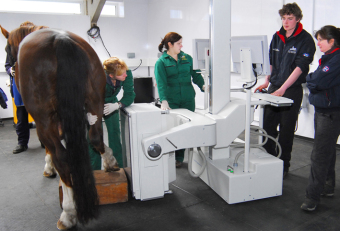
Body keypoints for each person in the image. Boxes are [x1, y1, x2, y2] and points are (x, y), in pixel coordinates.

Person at [254, 3, 316, 178]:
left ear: (297, 19)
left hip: (291, 90)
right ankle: (267, 161)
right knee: (268, 127)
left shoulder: (305, 40)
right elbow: (272, 62)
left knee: (286, 130)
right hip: (274, 87)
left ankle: (283, 166)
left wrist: (283, 88)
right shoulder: (277, 36)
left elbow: (300, 68)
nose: (286, 22)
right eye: (284, 18)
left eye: (290, 18)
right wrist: (267, 81)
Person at [300, 25, 340, 211]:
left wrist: (312, 81)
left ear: (332, 41)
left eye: (321, 40)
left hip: (330, 113)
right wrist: (313, 80)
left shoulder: (337, 59)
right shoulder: (329, 58)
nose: (318, 43)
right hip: (324, 110)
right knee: (328, 150)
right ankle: (327, 186)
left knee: (319, 154)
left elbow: (317, 81)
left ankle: (312, 198)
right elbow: (315, 80)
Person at [154, 32, 205, 168]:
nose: (181, 46)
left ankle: (180, 157)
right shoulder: (161, 62)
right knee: (174, 128)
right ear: (170, 45)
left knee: (186, 127)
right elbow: (161, 82)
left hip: (188, 98)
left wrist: (204, 87)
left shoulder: (187, 58)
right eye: (178, 43)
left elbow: (196, 75)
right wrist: (163, 100)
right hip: (172, 100)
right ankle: (171, 155)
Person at [88, 57, 135, 170]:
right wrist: (87, 113)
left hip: (112, 103)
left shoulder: (126, 72)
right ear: (111, 75)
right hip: (94, 103)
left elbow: (130, 94)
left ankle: (117, 165)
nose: (126, 75)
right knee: (93, 136)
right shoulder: (96, 76)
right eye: (122, 74)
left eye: (125, 72)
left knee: (115, 134)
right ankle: (94, 170)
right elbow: (84, 96)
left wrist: (118, 105)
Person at [5, 21, 36, 154]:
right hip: (18, 86)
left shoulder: (35, 46)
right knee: (21, 116)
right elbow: (7, 65)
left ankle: (44, 141)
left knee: (40, 116)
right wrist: (10, 71)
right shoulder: (13, 46)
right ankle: (22, 143)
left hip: (34, 86)